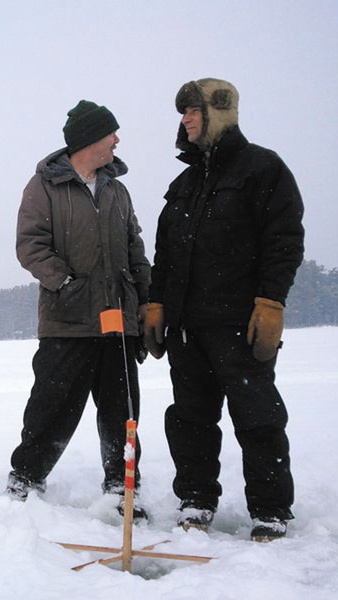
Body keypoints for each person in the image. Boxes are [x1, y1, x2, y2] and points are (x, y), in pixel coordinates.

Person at [144, 78, 305, 541]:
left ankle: (270, 510)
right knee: (190, 419)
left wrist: (271, 301)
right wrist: (157, 305)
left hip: (240, 323)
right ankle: (195, 500)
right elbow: (165, 254)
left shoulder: (262, 169)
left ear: (218, 112)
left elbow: (283, 241)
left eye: (191, 111)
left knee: (257, 417)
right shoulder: (184, 184)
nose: (184, 119)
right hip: (187, 329)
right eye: (183, 112)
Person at [7, 100, 151, 520]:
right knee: (50, 407)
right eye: (111, 134)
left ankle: (122, 487)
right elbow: (29, 245)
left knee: (122, 413)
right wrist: (67, 284)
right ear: (89, 139)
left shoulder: (117, 190)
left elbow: (135, 250)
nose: (117, 140)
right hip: (66, 321)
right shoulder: (44, 187)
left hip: (117, 322)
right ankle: (26, 478)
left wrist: (145, 303)